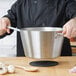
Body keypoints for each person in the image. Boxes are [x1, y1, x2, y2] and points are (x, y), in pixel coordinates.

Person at [0, 0, 76, 56]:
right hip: (27, 62)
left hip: (60, 60)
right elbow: (8, 20)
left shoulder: (66, 2)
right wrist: (4, 21)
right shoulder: (20, 4)